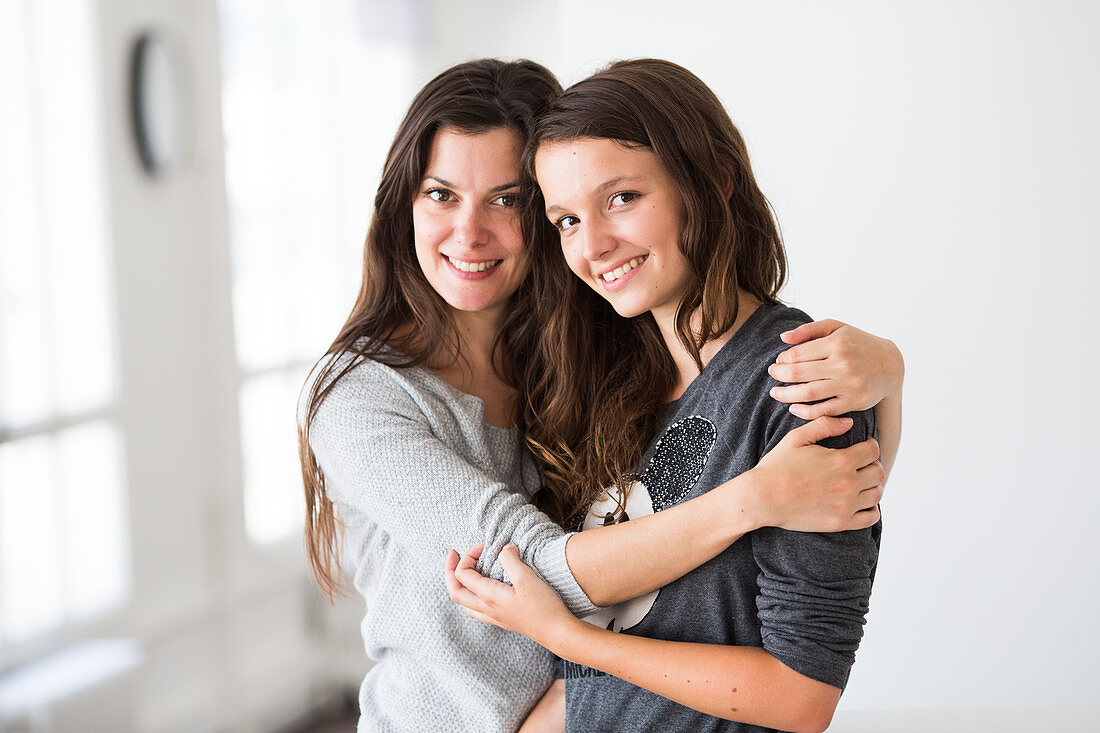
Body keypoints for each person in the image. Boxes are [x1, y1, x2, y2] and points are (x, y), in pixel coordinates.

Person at [299, 59, 902, 733]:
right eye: (441, 194)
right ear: (401, 203)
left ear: (709, 181)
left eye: (509, 200)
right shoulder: (365, 398)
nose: (469, 232)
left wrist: (888, 382)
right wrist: (753, 498)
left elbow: (800, 606)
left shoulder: (595, 361)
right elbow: (539, 575)